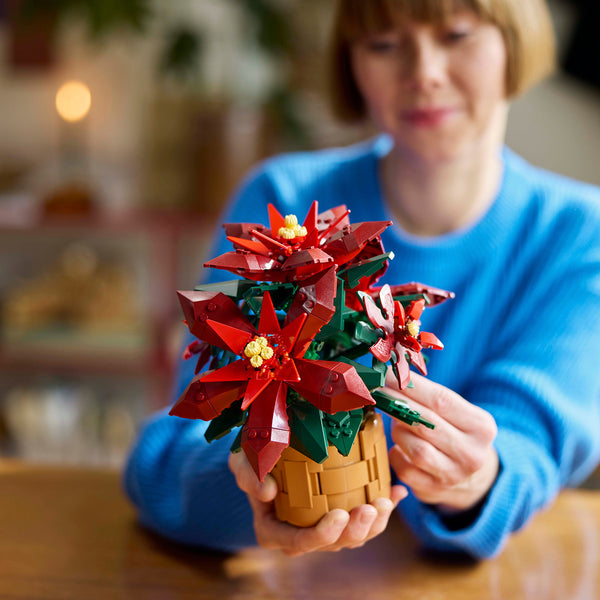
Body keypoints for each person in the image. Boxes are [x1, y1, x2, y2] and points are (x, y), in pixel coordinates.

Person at [123, 0, 600, 559]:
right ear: (350, 64)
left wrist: (478, 483)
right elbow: (167, 455)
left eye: (457, 35)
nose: (422, 72)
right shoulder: (287, 210)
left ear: (513, 44)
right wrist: (253, 486)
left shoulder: (579, 236)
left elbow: (529, 441)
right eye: (383, 44)